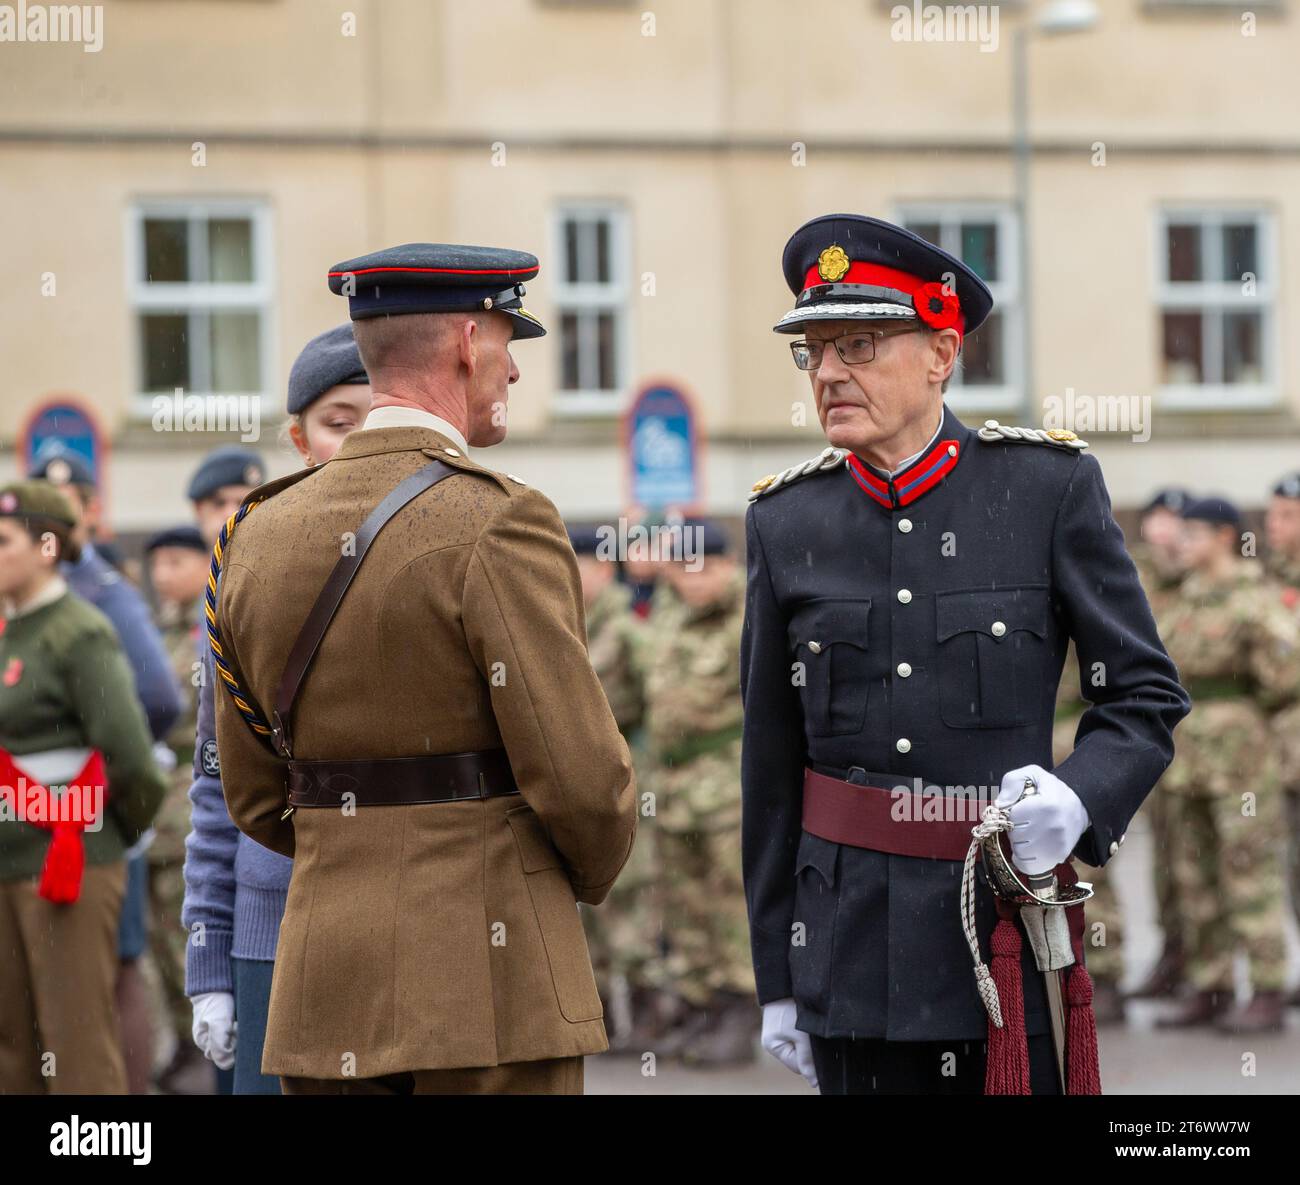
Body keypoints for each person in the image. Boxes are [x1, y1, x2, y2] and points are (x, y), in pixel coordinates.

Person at [741, 214, 1190, 1095]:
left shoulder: (1044, 490)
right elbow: (769, 765)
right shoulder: (785, 523)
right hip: (849, 952)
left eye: (859, 345)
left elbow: (1142, 695)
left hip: (999, 936)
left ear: (941, 353)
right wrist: (776, 975)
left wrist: (1077, 793)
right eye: (815, 351)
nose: (829, 372)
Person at [209, 243, 637, 1094]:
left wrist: (354, 845)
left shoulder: (255, 532)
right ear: (469, 346)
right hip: (488, 976)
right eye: (509, 341)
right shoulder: (500, 520)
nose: (514, 370)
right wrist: (568, 880)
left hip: (324, 978)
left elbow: (254, 794)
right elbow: (583, 780)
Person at [184, 324, 372, 1095]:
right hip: (274, 928)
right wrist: (210, 958)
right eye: (339, 423)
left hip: (403, 922)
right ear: (298, 439)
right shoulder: (247, 568)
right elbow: (215, 786)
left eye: (377, 418)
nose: (360, 443)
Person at [0, 481, 167, 1093]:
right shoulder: (6, 630)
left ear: (46, 546)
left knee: (75, 1044)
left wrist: (112, 836)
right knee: (11, 1045)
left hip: (67, 864)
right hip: (6, 861)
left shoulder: (79, 632)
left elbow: (133, 762)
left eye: (3, 541)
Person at [1156, 496, 1298, 1033]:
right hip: (1187, 751)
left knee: (1248, 869)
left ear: (1223, 536)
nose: (1180, 543)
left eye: (1191, 533)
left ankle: (1266, 985)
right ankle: (1211, 984)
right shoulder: (1183, 599)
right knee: (1194, 870)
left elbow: (1286, 676)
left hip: (1240, 754)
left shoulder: (1253, 595)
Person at [640, 518, 759, 1065]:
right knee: (683, 901)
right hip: (672, 783)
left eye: (704, 567)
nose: (692, 579)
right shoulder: (669, 611)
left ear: (727, 565)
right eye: (683, 567)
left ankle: (739, 1005)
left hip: (725, 779)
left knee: (728, 899)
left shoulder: (748, 615)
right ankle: (698, 1001)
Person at [567, 526, 659, 1051]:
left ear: (605, 570)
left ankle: (648, 1013)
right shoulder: (564, 622)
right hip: (580, 781)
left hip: (626, 773)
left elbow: (658, 705)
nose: (575, 576)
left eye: (584, 565)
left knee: (631, 894)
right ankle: (595, 1012)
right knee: (587, 896)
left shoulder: (627, 629)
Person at [142, 525, 211, 1090]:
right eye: (156, 563)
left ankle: (200, 1049)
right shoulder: (157, 627)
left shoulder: (207, 624)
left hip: (188, 804)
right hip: (153, 810)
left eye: (175, 561)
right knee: (160, 940)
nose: (163, 573)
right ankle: (184, 1044)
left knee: (186, 933)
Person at [1122, 488, 1194, 1003]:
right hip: (1144, 728)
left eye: (1177, 520)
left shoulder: (1199, 578)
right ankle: (1171, 956)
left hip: (1198, 742)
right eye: (1159, 519)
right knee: (1159, 854)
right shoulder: (1130, 572)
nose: (1166, 530)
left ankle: (1193, 959)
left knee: (1191, 859)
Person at [1264, 471, 1300, 1009]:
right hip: (1284, 750)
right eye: (1272, 515)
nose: (1273, 526)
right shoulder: (1266, 579)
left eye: (1287, 516)